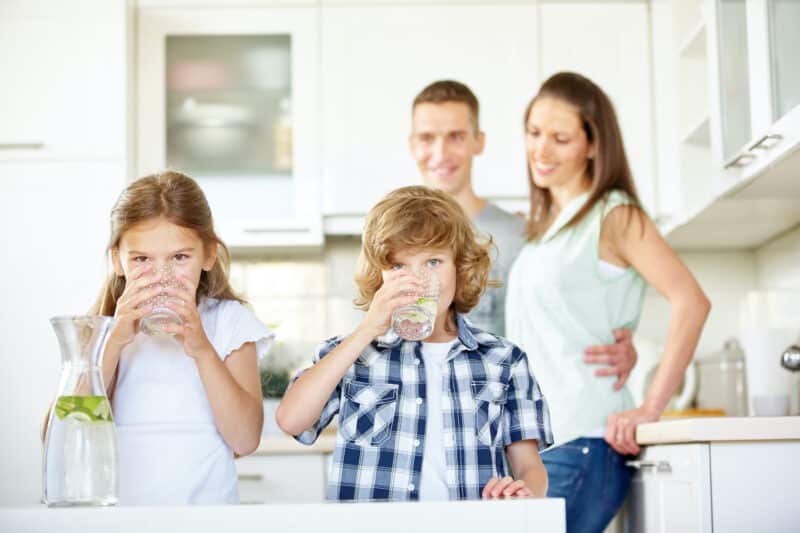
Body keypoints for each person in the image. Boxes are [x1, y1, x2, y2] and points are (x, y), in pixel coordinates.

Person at [506, 72, 711, 532]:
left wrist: (649, 407)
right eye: (534, 133)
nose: (541, 150)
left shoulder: (614, 214)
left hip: (583, 442)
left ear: (593, 145)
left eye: (560, 138)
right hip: (544, 445)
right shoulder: (548, 229)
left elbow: (691, 301)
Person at [276, 186, 553, 501]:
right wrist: (367, 329)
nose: (418, 280)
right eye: (398, 266)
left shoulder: (503, 360)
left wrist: (521, 492)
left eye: (433, 262)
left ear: (460, 267)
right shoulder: (353, 353)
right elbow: (291, 420)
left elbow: (530, 468)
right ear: (379, 276)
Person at [409, 80, 638, 388]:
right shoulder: (392, 239)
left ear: (479, 141)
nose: (440, 152)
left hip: (500, 419)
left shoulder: (524, 236)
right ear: (412, 144)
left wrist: (622, 347)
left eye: (456, 137)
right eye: (427, 138)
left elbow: (565, 320)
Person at [92, 171, 274, 505]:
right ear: (118, 259)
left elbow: (245, 440)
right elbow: (61, 434)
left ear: (208, 255)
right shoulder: (101, 330)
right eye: (142, 259)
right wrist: (114, 341)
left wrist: (202, 349)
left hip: (208, 517)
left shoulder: (230, 323)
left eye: (179, 257)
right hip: (120, 519)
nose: (161, 276)